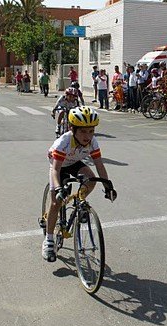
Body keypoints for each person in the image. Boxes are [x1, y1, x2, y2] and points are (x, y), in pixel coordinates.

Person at [42, 106, 117, 262]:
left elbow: (99, 165)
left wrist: (108, 186)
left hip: (74, 162)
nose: (87, 136)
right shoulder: (63, 142)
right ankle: (48, 240)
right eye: (83, 131)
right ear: (72, 129)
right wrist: (58, 188)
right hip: (59, 165)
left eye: (91, 131)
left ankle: (78, 202)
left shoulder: (92, 142)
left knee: (91, 179)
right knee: (56, 202)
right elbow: (55, 170)